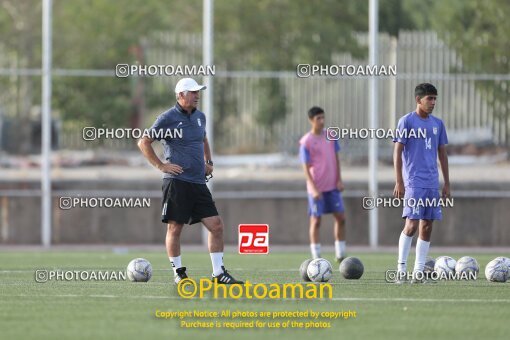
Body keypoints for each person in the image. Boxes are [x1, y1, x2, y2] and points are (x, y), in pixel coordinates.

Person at [137, 77, 243, 285]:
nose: (197, 95)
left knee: (217, 226)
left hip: (198, 183)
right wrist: (161, 166)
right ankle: (179, 273)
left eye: (198, 92)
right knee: (175, 228)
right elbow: (144, 142)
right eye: (193, 92)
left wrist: (208, 161)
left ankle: (218, 273)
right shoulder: (167, 118)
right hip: (177, 183)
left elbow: (203, 139)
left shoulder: (200, 117)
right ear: (181, 95)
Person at [393, 83, 450, 283]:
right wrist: (399, 181)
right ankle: (401, 269)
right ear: (418, 100)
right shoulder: (407, 122)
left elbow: (442, 155)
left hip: (432, 183)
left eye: (435, 98)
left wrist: (447, 184)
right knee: (411, 224)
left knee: (427, 225)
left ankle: (418, 272)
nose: (433, 102)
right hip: (414, 182)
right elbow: (398, 152)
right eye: (429, 99)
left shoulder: (438, 124)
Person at [299, 106, 347, 263]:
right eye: (318, 118)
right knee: (316, 220)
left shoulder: (331, 136)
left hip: (332, 186)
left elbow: (336, 158)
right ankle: (316, 256)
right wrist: (313, 188)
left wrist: (339, 179)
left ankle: (340, 254)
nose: (322, 121)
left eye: (323, 117)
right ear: (311, 120)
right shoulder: (306, 142)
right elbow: (305, 168)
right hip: (317, 188)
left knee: (341, 217)